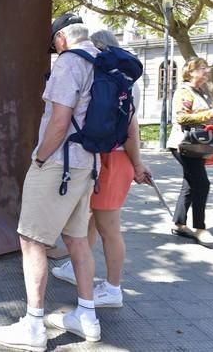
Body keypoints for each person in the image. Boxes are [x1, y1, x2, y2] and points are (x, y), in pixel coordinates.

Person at [0, 13, 100, 351]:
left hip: (57, 164)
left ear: (63, 38)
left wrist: (39, 158)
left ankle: (34, 326)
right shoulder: (106, 62)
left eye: (54, 43)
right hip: (87, 164)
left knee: (31, 240)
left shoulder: (69, 63)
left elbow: (59, 121)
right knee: (77, 239)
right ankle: (87, 316)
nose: (55, 49)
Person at [50, 30, 151, 308]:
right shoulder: (125, 78)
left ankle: (113, 288)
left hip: (111, 158)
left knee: (109, 227)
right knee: (92, 218)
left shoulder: (110, 77)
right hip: (112, 158)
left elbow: (131, 128)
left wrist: (139, 163)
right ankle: (76, 267)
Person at [167, 57, 213, 244]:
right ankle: (200, 228)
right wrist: (210, 113)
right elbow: (181, 118)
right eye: (202, 68)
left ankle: (179, 223)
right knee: (202, 184)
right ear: (190, 72)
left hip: (196, 145)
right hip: (184, 144)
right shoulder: (185, 91)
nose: (207, 71)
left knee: (190, 183)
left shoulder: (202, 91)